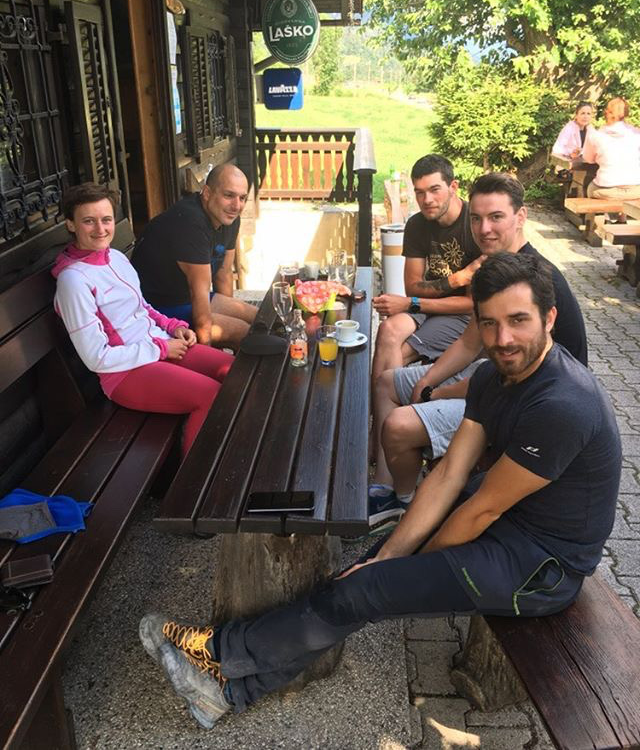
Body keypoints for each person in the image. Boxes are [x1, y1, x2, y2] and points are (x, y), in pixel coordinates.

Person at [138, 252, 621, 730]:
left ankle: (218, 650)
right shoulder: (494, 375)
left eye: (518, 321)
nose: (503, 338)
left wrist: (406, 565)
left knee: (365, 587)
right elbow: (450, 473)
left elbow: (481, 511)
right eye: (489, 323)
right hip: (503, 521)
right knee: (365, 570)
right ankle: (227, 691)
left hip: (541, 567)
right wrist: (389, 556)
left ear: (549, 318)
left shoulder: (563, 404)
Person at [369, 173, 588, 531]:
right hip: (498, 380)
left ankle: (404, 504)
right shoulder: (498, 267)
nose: (484, 229)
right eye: (476, 218)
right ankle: (385, 483)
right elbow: (470, 344)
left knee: (400, 425)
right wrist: (428, 379)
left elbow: (507, 379)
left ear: (521, 217)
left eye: (496, 217)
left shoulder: (534, 277)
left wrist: (435, 393)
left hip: (531, 402)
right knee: (387, 382)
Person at [53, 184, 234, 459]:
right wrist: (161, 349)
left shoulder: (115, 257)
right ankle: (195, 478)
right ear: (70, 224)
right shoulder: (73, 281)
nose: (100, 229)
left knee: (232, 370)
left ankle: (230, 450)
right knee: (210, 395)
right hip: (125, 373)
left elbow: (142, 306)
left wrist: (173, 326)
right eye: (88, 221)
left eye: (106, 219)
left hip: (158, 346)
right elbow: (96, 358)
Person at [371, 154, 482, 383]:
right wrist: (457, 279)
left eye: (434, 190)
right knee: (388, 330)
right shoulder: (416, 224)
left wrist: (411, 303)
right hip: (426, 305)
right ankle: (379, 402)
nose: (427, 200)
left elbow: (472, 304)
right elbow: (413, 287)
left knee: (400, 354)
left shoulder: (474, 225)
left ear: (453, 187)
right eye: (419, 192)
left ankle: (387, 402)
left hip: (462, 315)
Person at [132, 163, 257, 350]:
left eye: (242, 198)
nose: (236, 205)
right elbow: (199, 297)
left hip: (185, 298)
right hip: (157, 308)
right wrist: (209, 353)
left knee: (258, 318)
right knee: (243, 332)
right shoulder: (190, 224)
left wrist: (226, 319)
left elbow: (223, 274)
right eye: (228, 195)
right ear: (207, 193)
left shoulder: (229, 218)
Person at [582, 97, 640, 202]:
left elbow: (588, 159)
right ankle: (622, 215)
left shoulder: (596, 135)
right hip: (636, 190)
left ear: (606, 112)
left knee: (589, 186)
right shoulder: (636, 133)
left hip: (607, 190)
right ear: (626, 113)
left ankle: (597, 212)